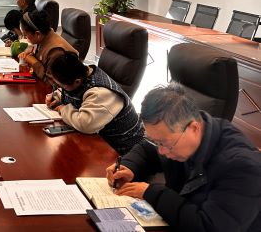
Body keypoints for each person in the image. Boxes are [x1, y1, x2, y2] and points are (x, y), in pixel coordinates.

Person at [106, 84, 261, 231]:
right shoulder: (186, 130)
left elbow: (209, 227)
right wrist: (129, 166)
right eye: (156, 142)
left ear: (194, 128)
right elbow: (147, 149)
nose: (161, 151)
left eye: (164, 143)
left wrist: (152, 193)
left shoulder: (242, 168)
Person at [45, 50, 145, 155]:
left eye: (61, 86)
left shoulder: (101, 93)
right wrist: (57, 96)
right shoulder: (81, 74)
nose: (60, 88)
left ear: (77, 81)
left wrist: (63, 109)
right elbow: (74, 93)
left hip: (123, 149)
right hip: (100, 139)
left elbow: (85, 124)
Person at [17, 9, 77, 82]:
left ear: (37, 34)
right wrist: (31, 55)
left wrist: (33, 62)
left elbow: (52, 82)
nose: (24, 38)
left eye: (25, 35)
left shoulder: (56, 52)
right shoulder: (43, 37)